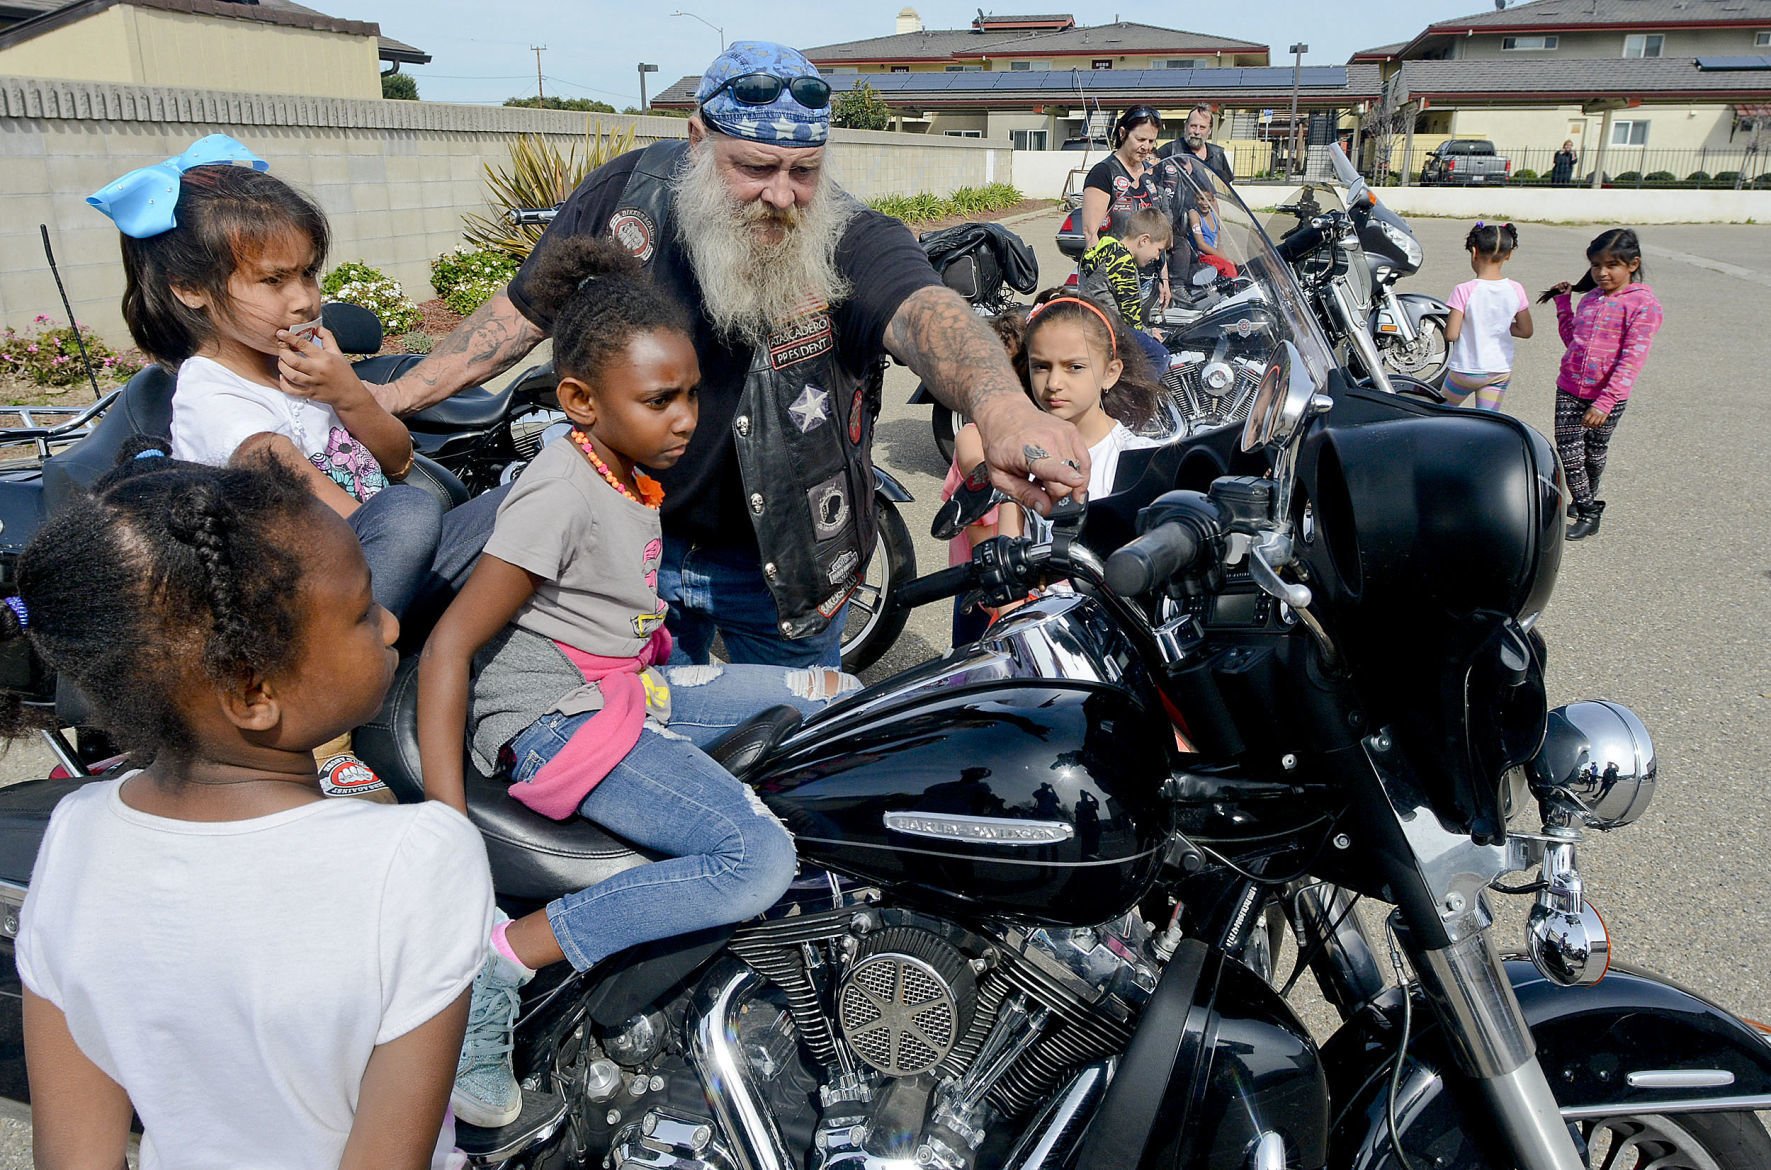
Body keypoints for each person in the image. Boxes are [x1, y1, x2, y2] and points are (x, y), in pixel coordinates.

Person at [377, 42, 1087, 670]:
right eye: (754, 167)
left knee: (792, 743)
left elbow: (927, 313)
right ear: (696, 138)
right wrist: (392, 398)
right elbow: (519, 313)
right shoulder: (623, 197)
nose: (781, 196)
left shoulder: (848, 235)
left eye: (803, 171)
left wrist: (999, 405)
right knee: (641, 743)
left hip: (782, 571)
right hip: (628, 552)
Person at [416, 234, 859, 1128]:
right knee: (754, 857)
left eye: (692, 393)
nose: (687, 418)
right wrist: (444, 822)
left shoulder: (615, 465)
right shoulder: (559, 493)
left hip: (625, 685)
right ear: (579, 401)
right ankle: (505, 958)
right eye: (661, 400)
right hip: (557, 714)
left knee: (832, 700)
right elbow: (449, 647)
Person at [4, 449, 493, 1167]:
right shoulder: (418, 856)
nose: (390, 626)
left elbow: (75, 1154)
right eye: (361, 612)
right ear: (252, 691)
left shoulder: (75, 835)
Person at [87, 135, 503, 627]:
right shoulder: (213, 392)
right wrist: (396, 534)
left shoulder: (301, 367)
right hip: (310, 593)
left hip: (383, 563)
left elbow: (398, 461)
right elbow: (291, 481)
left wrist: (348, 394)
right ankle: (367, 652)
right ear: (190, 288)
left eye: (308, 274)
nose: (304, 299)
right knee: (408, 514)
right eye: (273, 281)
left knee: (523, 498)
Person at [1536, 228, 1664, 540]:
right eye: (1596, 266)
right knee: (1569, 452)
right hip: (1569, 388)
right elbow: (1573, 342)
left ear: (1633, 264)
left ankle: (1586, 499)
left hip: (1607, 397)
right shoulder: (1591, 299)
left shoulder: (1643, 306)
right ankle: (1590, 510)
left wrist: (1605, 402)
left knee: (1594, 452)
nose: (1602, 273)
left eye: (1611, 266)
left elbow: (1631, 362)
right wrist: (1564, 305)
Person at [1081, 106, 1168, 316]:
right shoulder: (1103, 173)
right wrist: (1104, 287)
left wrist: (1164, 277)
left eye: (1151, 141)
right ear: (1122, 133)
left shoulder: (1150, 175)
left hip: (1147, 282)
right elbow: (1090, 233)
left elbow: (1158, 232)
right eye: (1140, 139)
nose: (1146, 147)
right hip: (1112, 283)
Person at [1443, 221, 1533, 412]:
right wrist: (1498, 325)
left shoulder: (1464, 290)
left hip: (1465, 370)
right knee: (1487, 419)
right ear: (1508, 255)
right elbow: (1526, 330)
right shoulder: (1516, 289)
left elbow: (1451, 334)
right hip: (1498, 370)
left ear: (1474, 252)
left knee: (1441, 411)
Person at [1077, 206, 1174, 372]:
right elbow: (1131, 315)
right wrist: (1149, 333)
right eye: (1158, 250)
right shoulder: (1123, 263)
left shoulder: (1107, 246)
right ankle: (1139, 396)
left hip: (1093, 319)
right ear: (1144, 240)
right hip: (1108, 327)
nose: (1157, 257)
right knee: (1160, 356)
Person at [1156, 104, 1235, 188]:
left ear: (1209, 131)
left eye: (1202, 127)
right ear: (1186, 126)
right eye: (1193, 126)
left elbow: (1226, 190)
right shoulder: (1169, 151)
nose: (1197, 132)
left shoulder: (1218, 155)